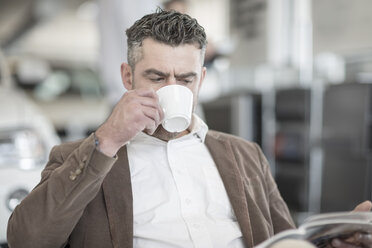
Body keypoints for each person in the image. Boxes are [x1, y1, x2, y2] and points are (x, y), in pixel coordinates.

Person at [6, 9, 372, 248]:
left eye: (185, 79)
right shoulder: (80, 156)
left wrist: (333, 239)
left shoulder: (244, 155)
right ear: (127, 76)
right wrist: (108, 140)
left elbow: (287, 241)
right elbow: (26, 240)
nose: (173, 90)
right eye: (156, 77)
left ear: (202, 79)